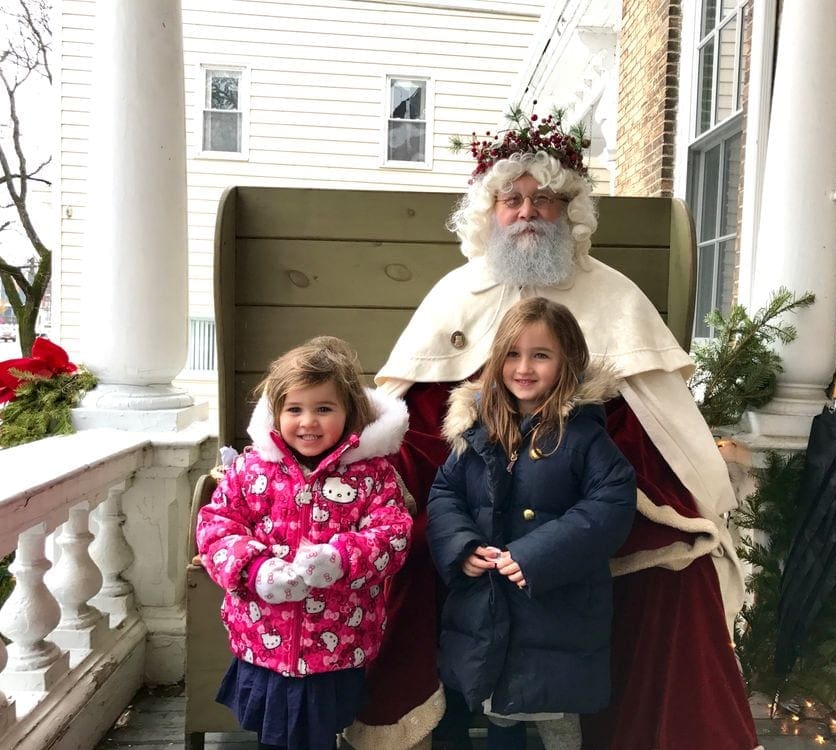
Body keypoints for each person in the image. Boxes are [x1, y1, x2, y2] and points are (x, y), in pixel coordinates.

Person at [346, 115, 759, 750]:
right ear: (490, 212)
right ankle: (439, 722)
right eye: (512, 199)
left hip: (569, 490)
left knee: (681, 569)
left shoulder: (612, 294)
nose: (528, 212)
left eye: (545, 198)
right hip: (478, 489)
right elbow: (416, 417)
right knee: (403, 549)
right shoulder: (455, 293)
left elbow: (647, 422)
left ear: (571, 211)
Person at [427, 297, 637, 750]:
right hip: (488, 602)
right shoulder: (478, 429)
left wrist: (535, 556)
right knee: (501, 710)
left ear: (567, 362)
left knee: (555, 715)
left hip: (554, 606)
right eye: (513, 354)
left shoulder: (582, 434)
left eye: (540, 355)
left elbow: (612, 503)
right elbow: (445, 494)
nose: (524, 367)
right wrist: (461, 548)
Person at [196, 336, 414, 750]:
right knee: (272, 739)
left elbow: (392, 535)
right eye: (295, 409)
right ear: (276, 413)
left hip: (336, 644)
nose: (308, 421)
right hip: (264, 642)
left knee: (321, 737)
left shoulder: (370, 474)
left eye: (323, 409)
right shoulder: (251, 469)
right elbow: (216, 528)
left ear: (348, 412)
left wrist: (340, 558)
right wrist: (256, 570)